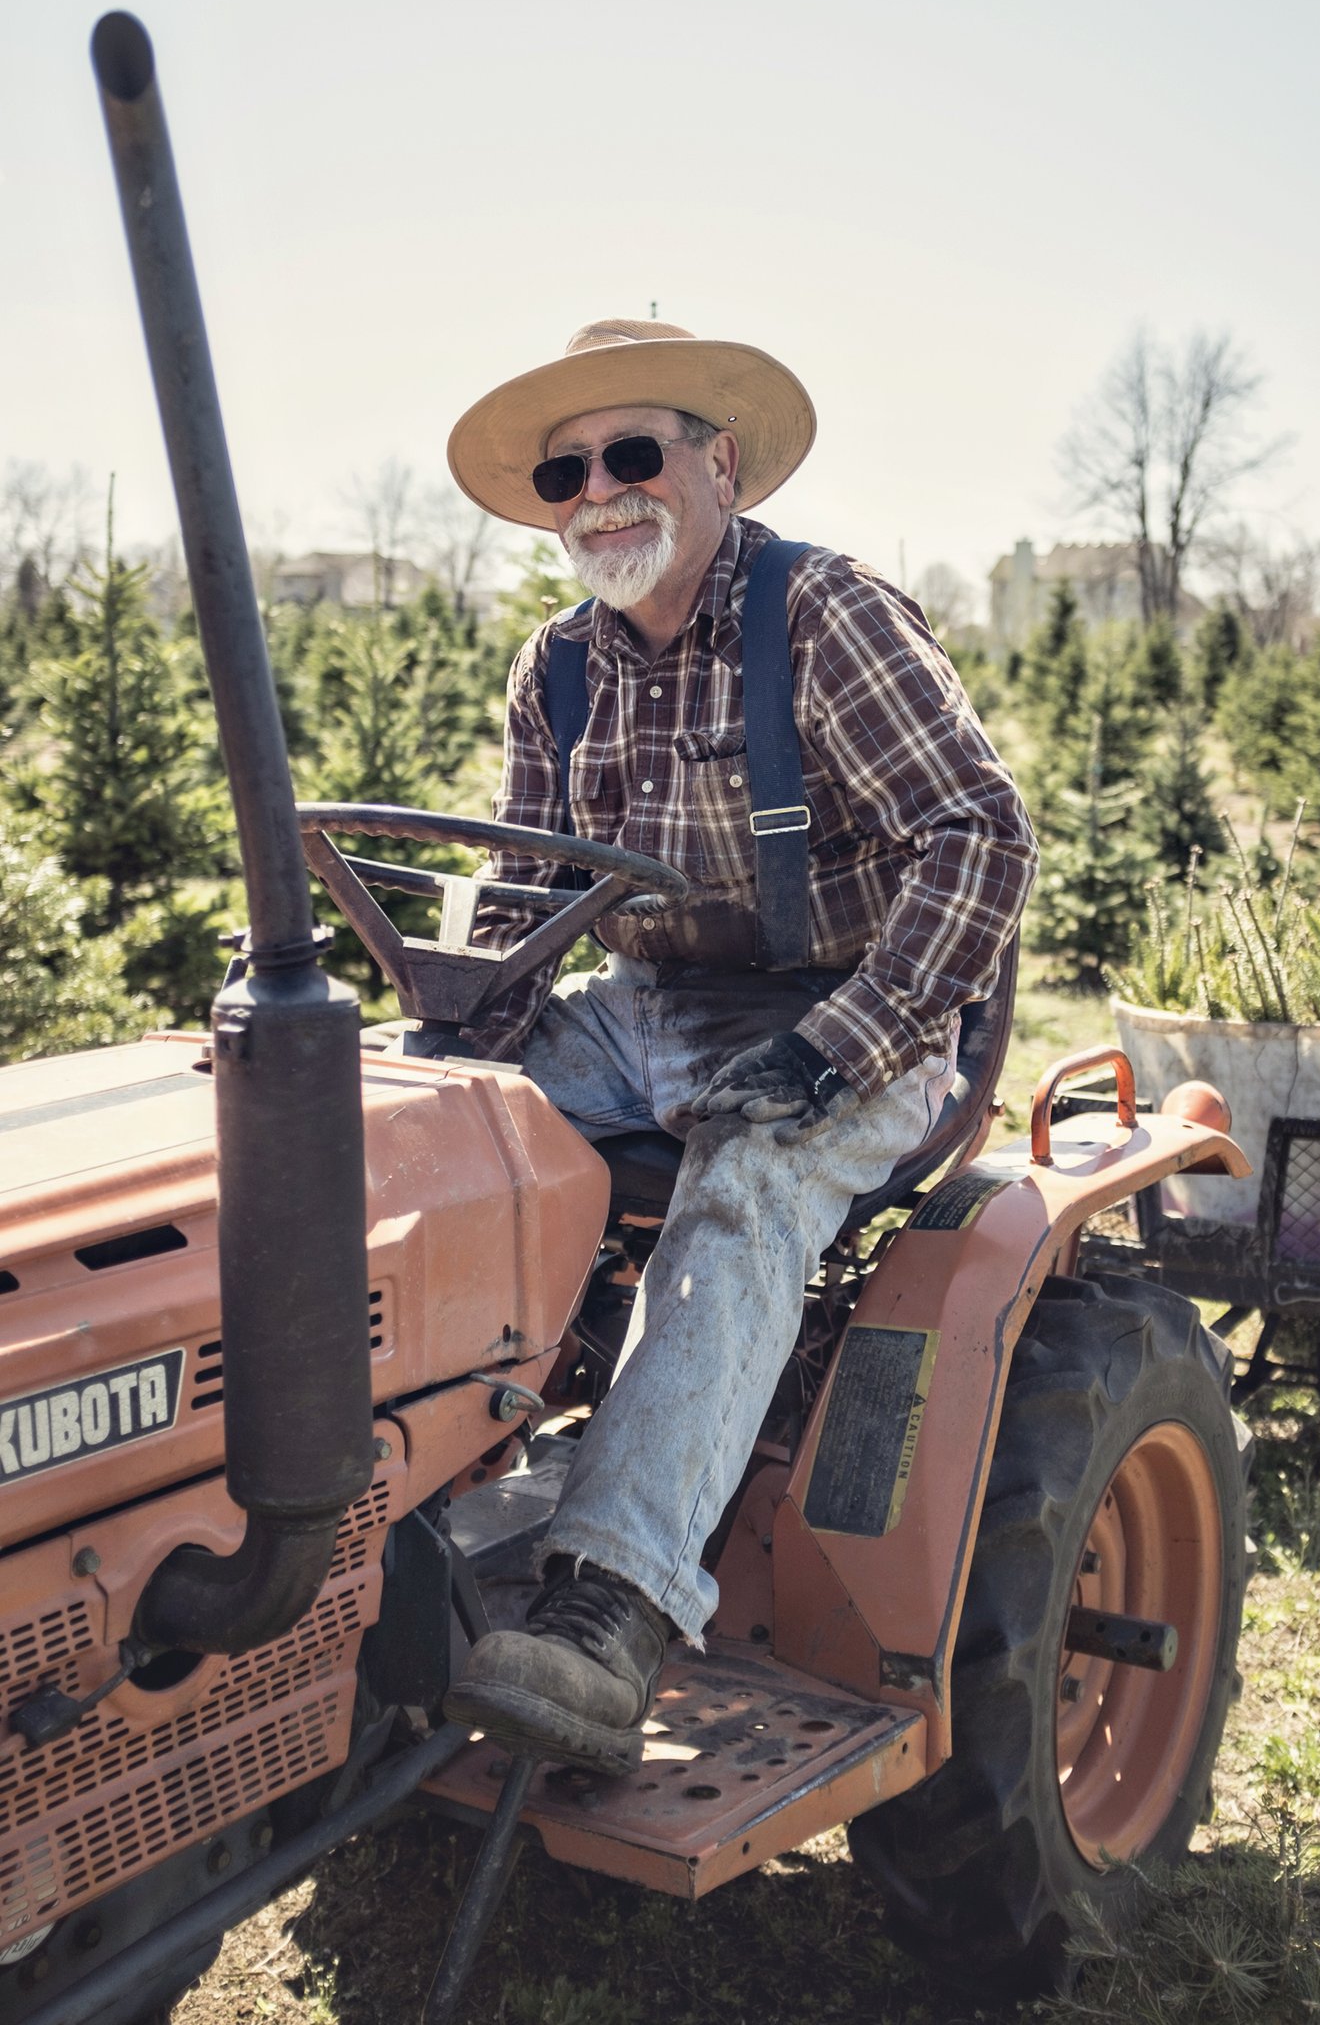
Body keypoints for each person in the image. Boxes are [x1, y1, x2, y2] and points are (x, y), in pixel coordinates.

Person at [442, 318, 1036, 1774]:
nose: (600, 492)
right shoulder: (559, 668)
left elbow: (979, 836)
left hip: (854, 1008)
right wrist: (455, 1032)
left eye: (633, 453)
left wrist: (842, 1046)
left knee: (748, 1176)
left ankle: (609, 1610)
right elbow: (526, 882)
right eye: (567, 470)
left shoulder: (821, 618)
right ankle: (394, 1519)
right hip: (648, 1009)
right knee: (439, 1132)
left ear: (716, 464)